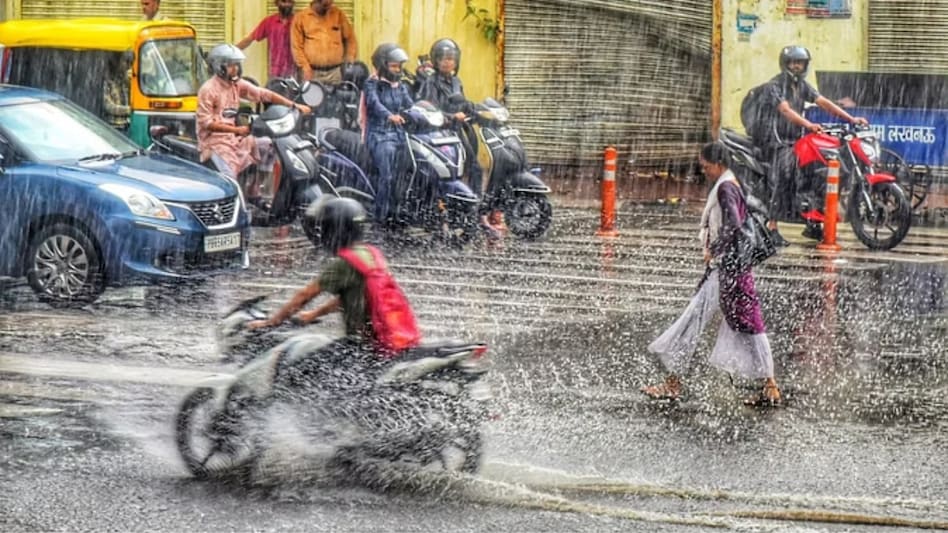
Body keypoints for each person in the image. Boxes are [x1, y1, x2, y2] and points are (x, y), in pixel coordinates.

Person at [641, 142, 782, 406]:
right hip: (729, 269)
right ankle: (769, 386)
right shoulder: (732, 183)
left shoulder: (726, 187)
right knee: (745, 324)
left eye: (706, 167)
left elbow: (734, 225)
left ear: (719, 164)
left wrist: (715, 250)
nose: (704, 171)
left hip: (727, 269)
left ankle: (674, 385)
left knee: (711, 323)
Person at [246, 197, 406, 366]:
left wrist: (272, 322)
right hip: (391, 340)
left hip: (363, 347)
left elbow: (305, 296)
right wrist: (314, 314)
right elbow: (354, 295)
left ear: (332, 230)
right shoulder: (371, 254)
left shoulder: (344, 263)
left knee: (301, 363)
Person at [752, 45, 867, 243]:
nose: (797, 66)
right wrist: (809, 124)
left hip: (796, 139)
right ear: (785, 64)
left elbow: (824, 102)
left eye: (800, 63)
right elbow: (786, 110)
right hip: (776, 140)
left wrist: (851, 119)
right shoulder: (775, 86)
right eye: (793, 62)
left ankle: (813, 221)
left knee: (818, 169)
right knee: (785, 173)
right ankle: (771, 226)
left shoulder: (802, 85)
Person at [196, 43, 311, 210]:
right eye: (231, 65)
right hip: (215, 142)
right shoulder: (208, 90)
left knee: (269, 147)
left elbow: (263, 94)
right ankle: (233, 211)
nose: (236, 69)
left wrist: (294, 106)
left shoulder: (236, 84)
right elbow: (206, 123)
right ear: (218, 66)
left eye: (237, 64)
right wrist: (236, 130)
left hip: (236, 137)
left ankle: (254, 192)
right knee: (229, 180)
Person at [362, 43, 414, 225]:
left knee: (405, 173)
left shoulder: (400, 85)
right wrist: (389, 116)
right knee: (387, 175)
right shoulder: (372, 84)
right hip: (379, 135)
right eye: (393, 65)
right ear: (382, 64)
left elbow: (410, 104)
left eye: (399, 66)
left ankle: (398, 212)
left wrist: (422, 111)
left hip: (399, 134)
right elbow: (374, 104)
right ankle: (381, 215)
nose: (397, 69)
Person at [290, 0, 358, 85]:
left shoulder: (338, 14)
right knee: (313, 97)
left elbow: (350, 39)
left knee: (336, 97)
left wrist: (350, 59)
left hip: (335, 73)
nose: (329, 8)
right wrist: (305, 67)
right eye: (325, 5)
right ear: (316, 2)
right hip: (312, 73)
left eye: (330, 4)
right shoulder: (301, 17)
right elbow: (297, 47)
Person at [236, 0, 297, 81]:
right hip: (275, 72)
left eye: (290, 2)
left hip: (295, 72)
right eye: (283, 1)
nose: (287, 5)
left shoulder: (298, 21)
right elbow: (250, 39)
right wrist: (231, 51)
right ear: (276, 3)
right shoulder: (269, 22)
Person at [102, 54, 132, 133]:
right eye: (125, 63)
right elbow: (108, 106)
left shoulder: (125, 82)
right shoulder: (108, 83)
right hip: (115, 127)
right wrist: (128, 110)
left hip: (128, 125)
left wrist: (131, 83)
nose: (127, 66)